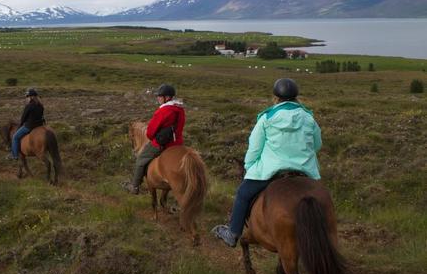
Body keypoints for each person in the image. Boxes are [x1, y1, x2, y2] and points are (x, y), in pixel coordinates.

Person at [212, 78, 322, 248]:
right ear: (296, 97)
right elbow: (317, 145)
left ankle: (232, 233)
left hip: (272, 171)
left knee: (243, 193)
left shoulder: (266, 118)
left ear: (275, 97)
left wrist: (249, 168)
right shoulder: (309, 118)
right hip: (304, 172)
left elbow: (254, 148)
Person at [123, 84, 185, 195]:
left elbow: (150, 133)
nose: (158, 98)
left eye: (160, 96)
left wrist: (153, 136)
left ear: (167, 97)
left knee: (141, 159)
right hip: (178, 144)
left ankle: (135, 187)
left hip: (162, 143)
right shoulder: (180, 110)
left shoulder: (163, 111)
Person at [9, 88, 45, 160]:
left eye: (27, 97)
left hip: (30, 126)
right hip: (39, 125)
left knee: (15, 137)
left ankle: (14, 155)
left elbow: (23, 118)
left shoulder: (29, 106)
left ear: (31, 97)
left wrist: (20, 125)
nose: (26, 98)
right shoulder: (41, 105)